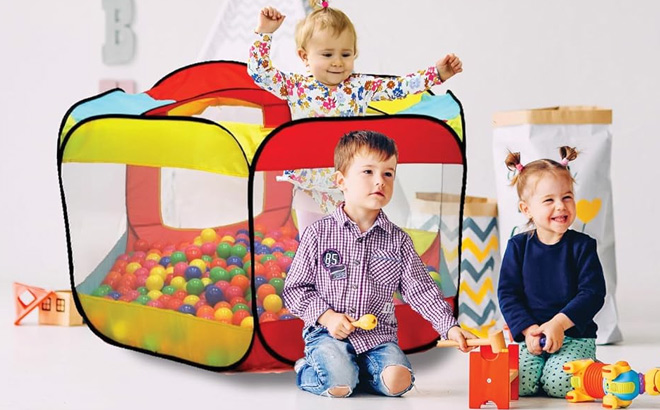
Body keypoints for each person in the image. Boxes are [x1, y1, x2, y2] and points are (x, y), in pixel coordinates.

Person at [282, 130, 476, 398]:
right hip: (328, 335)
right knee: (338, 386)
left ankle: (356, 372)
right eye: (368, 172)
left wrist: (449, 326)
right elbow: (295, 289)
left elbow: (421, 290)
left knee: (398, 383)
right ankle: (309, 369)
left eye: (388, 173)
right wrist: (328, 317)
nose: (380, 181)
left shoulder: (398, 240)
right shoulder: (319, 233)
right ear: (341, 181)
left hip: (378, 339)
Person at [248, 1, 463, 217]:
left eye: (345, 54)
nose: (337, 62)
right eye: (327, 54)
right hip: (308, 182)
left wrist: (436, 74)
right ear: (304, 56)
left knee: (351, 241)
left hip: (350, 185)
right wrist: (264, 33)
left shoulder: (360, 87)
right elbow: (260, 73)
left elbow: (400, 87)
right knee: (312, 241)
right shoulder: (295, 86)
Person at [498, 147, 607, 398]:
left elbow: (592, 293)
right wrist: (528, 331)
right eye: (549, 200)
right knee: (518, 385)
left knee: (558, 386)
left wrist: (559, 323)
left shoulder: (583, 246)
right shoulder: (518, 246)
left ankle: (594, 372)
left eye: (567, 197)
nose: (561, 206)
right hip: (531, 338)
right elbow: (508, 293)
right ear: (526, 209)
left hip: (574, 338)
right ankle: (547, 367)